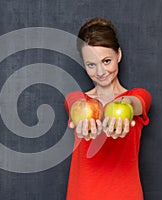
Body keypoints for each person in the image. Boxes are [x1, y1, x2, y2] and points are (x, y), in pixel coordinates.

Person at [64, 17, 152, 200]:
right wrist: (83, 119)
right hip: (82, 195)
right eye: (91, 65)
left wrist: (126, 106)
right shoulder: (77, 100)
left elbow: (136, 103)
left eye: (106, 61)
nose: (101, 72)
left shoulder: (138, 97)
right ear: (84, 64)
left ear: (118, 55)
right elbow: (74, 106)